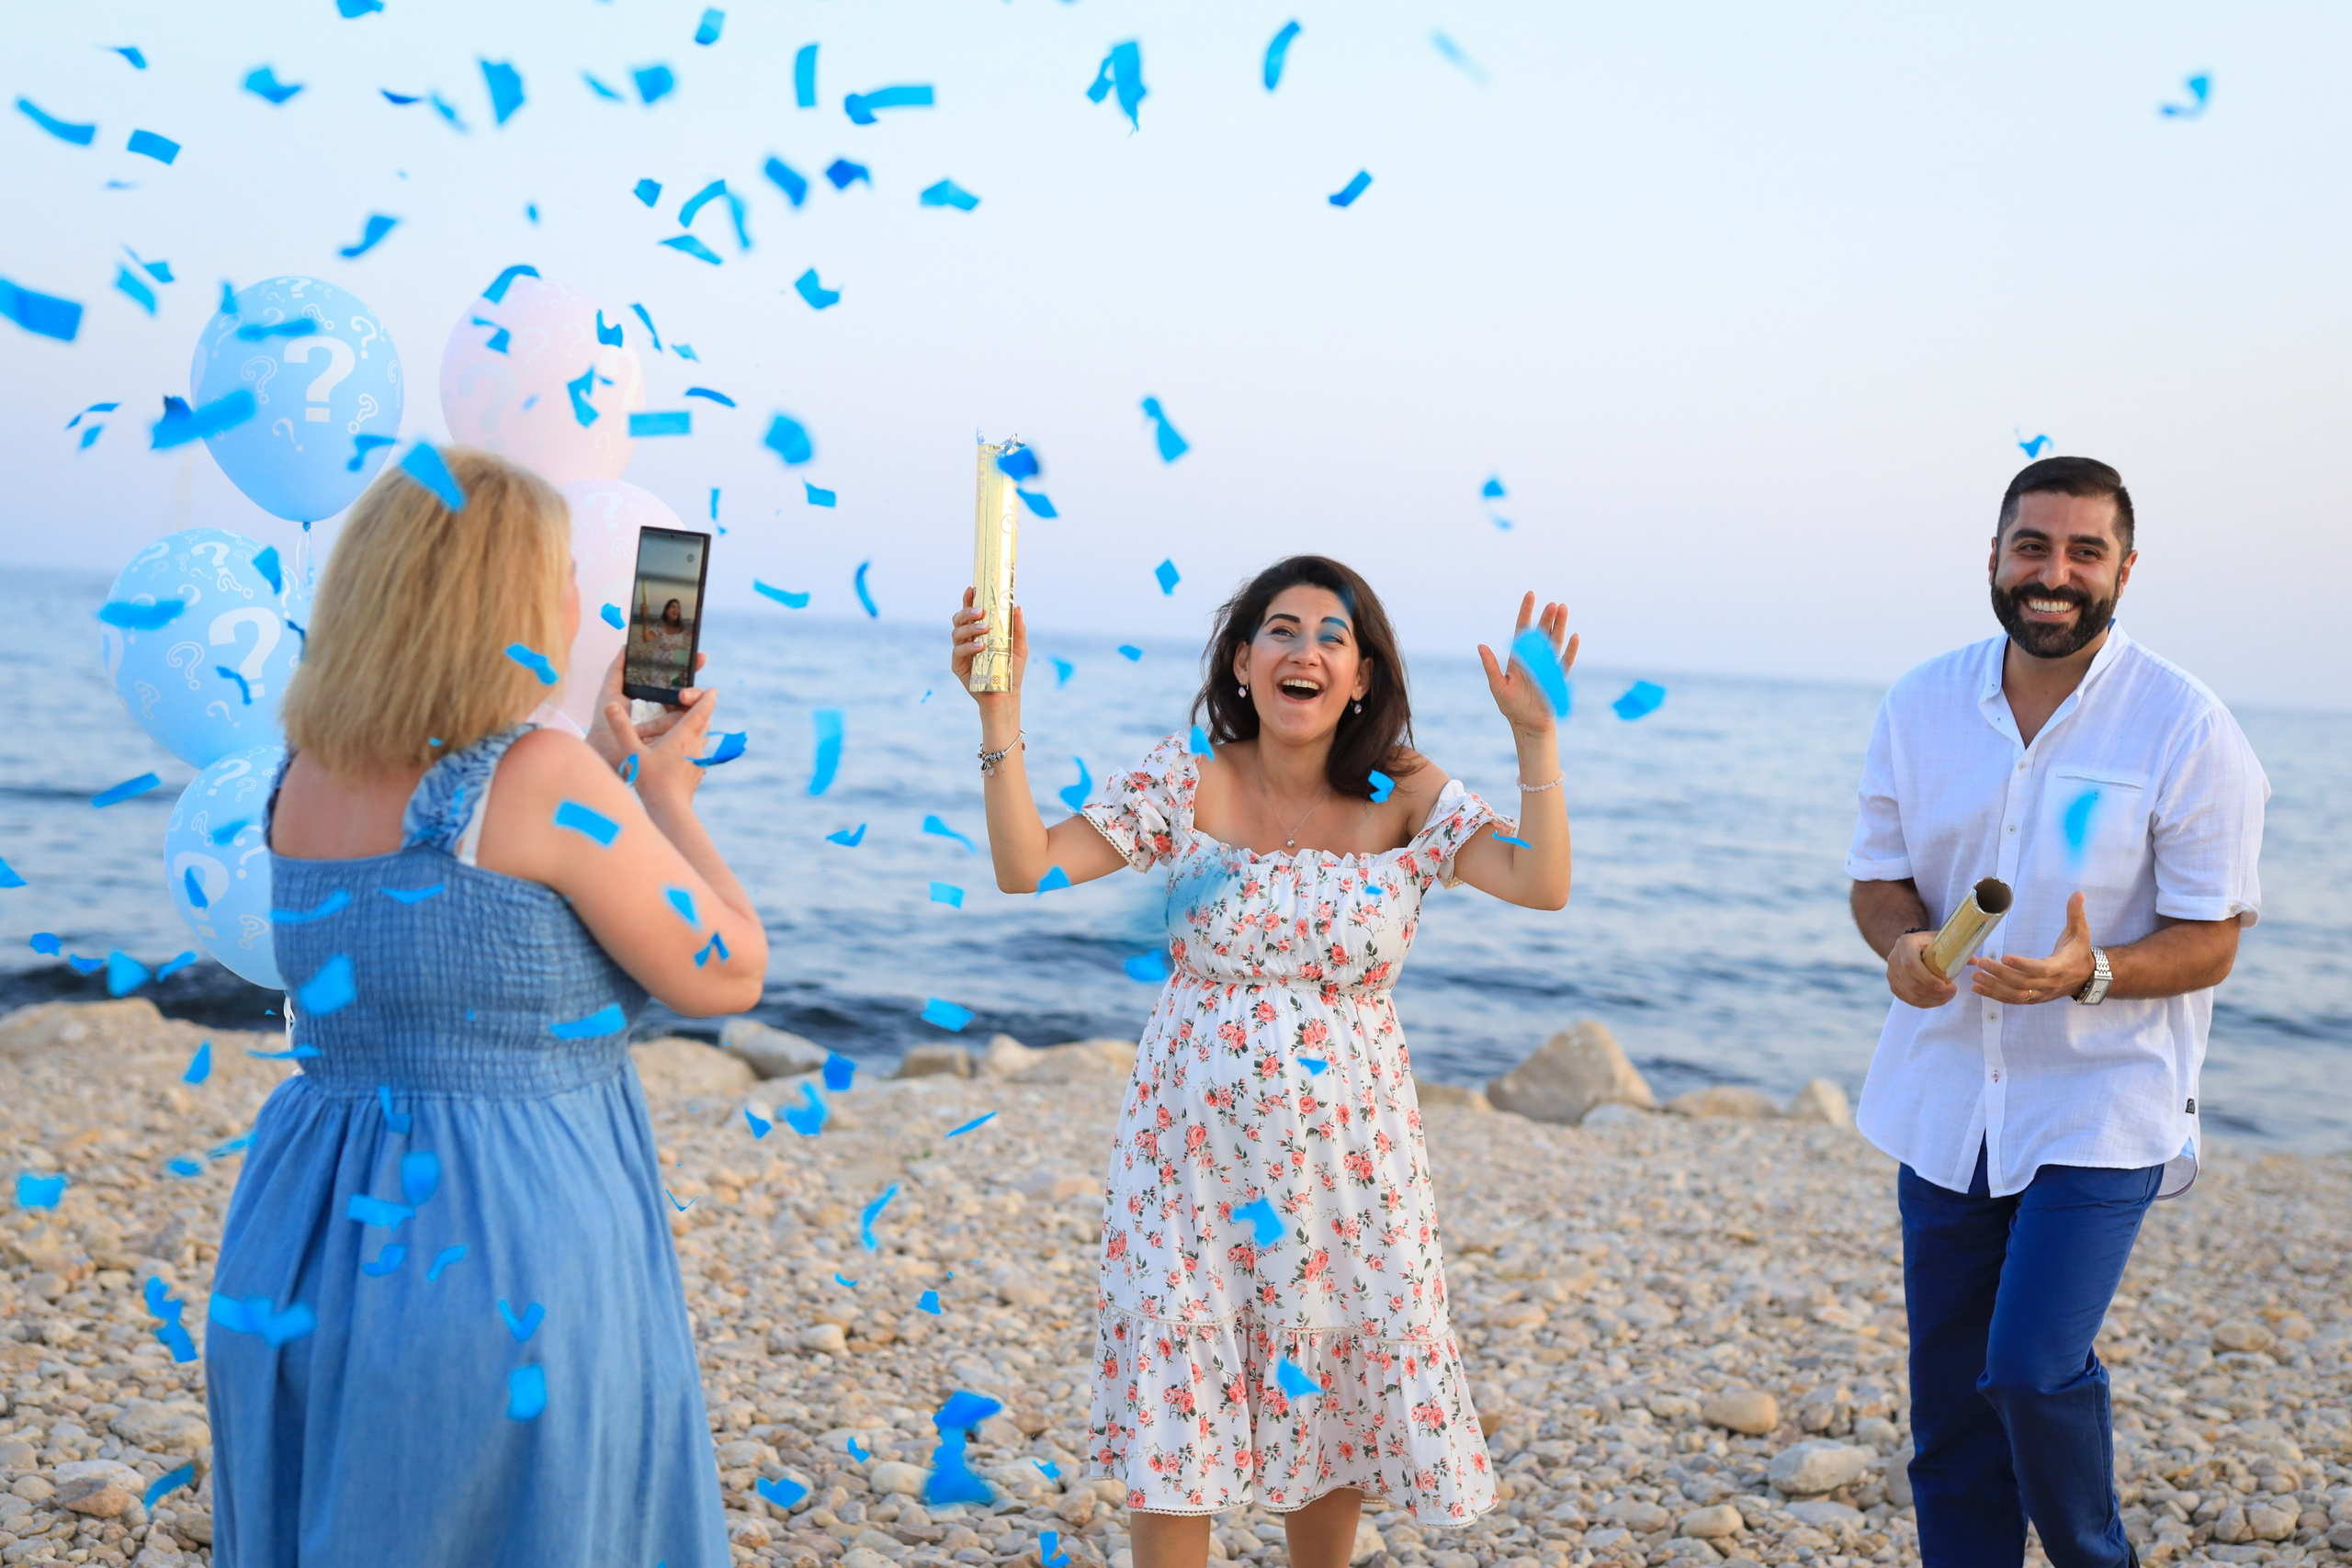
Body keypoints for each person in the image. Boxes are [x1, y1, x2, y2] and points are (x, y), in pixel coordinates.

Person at [949, 556, 1577, 1568]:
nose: (1306, 652)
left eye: (1333, 637)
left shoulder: (1408, 790)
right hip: (1189, 1157)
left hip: (1350, 1163)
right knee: (1179, 1375)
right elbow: (1027, 866)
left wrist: (1535, 739)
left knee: (1324, 1371)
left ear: (1363, 676)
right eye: (1281, 631)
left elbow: (1540, 882)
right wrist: (998, 712)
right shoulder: (1186, 776)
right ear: (1242, 662)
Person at [209, 448, 768, 1568]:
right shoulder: (546, 781)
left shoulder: (300, 775)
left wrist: (607, 761)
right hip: (501, 1230)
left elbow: (463, 918)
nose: (579, 602)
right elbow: (726, 970)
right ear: (509, 602)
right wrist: (663, 791)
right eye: (562, 575)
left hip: (310, 1223)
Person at [1845, 457, 2267, 1567]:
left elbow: (2216, 935)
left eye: (2084, 552)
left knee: (2029, 1369)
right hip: (1944, 1097)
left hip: (2101, 1101)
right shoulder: (1919, 703)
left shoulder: (2185, 725)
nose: (2054, 574)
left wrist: (2092, 974)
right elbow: (1879, 879)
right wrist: (1900, 948)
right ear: (1992, 556)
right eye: (2032, 546)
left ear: (2125, 569)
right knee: (1947, 1420)